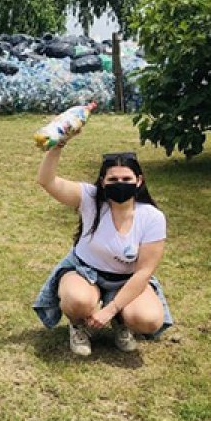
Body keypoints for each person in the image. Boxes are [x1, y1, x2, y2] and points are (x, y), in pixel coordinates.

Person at [34, 149, 172, 356]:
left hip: (127, 279)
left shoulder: (152, 217)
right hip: (84, 271)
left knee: (148, 319)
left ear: (139, 180)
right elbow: (46, 181)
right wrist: (58, 146)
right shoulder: (89, 199)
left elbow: (144, 272)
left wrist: (111, 309)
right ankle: (78, 325)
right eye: (113, 178)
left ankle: (120, 321)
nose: (120, 183)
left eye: (126, 178)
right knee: (77, 300)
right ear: (102, 182)